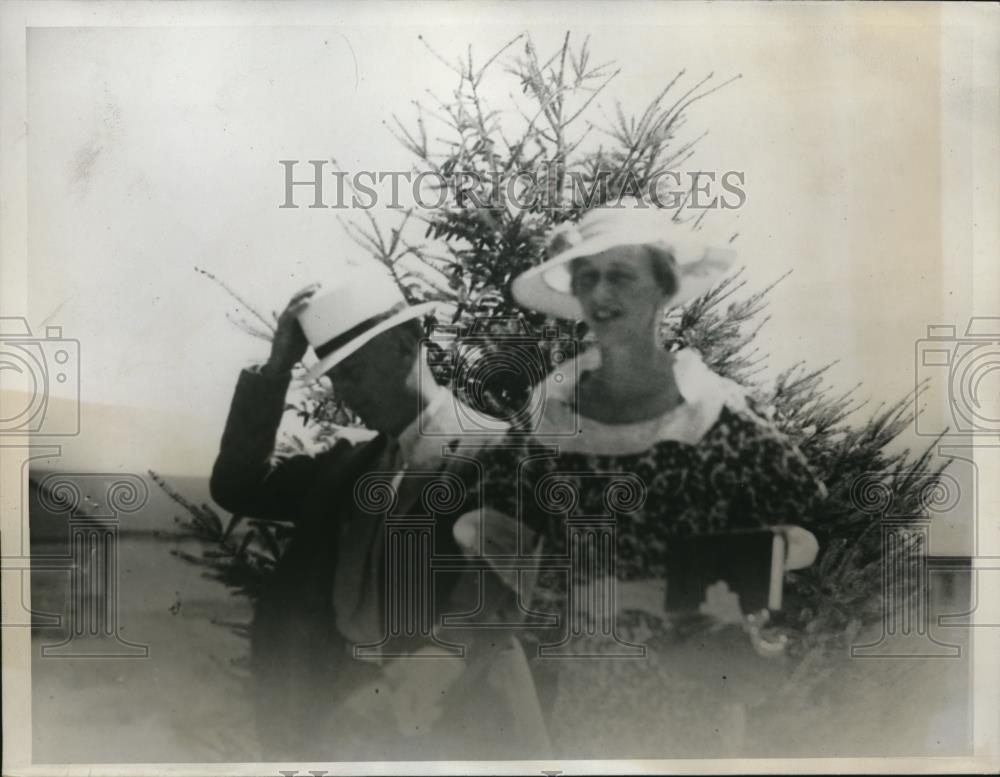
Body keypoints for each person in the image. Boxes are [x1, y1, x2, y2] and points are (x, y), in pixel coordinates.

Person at [452, 201, 827, 758]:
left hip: (696, 699)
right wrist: (558, 593)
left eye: (621, 276)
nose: (601, 295)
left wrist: (687, 587)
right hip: (588, 693)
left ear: (662, 287)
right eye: (587, 279)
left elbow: (811, 533)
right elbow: (479, 524)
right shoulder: (554, 421)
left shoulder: (715, 414)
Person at [210, 265, 549, 760]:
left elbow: (491, 603)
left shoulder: (500, 451)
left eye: (352, 370)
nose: (344, 393)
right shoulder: (347, 466)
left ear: (403, 343)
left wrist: (398, 696)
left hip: (461, 720)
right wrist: (277, 367)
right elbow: (238, 486)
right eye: (335, 378)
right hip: (355, 721)